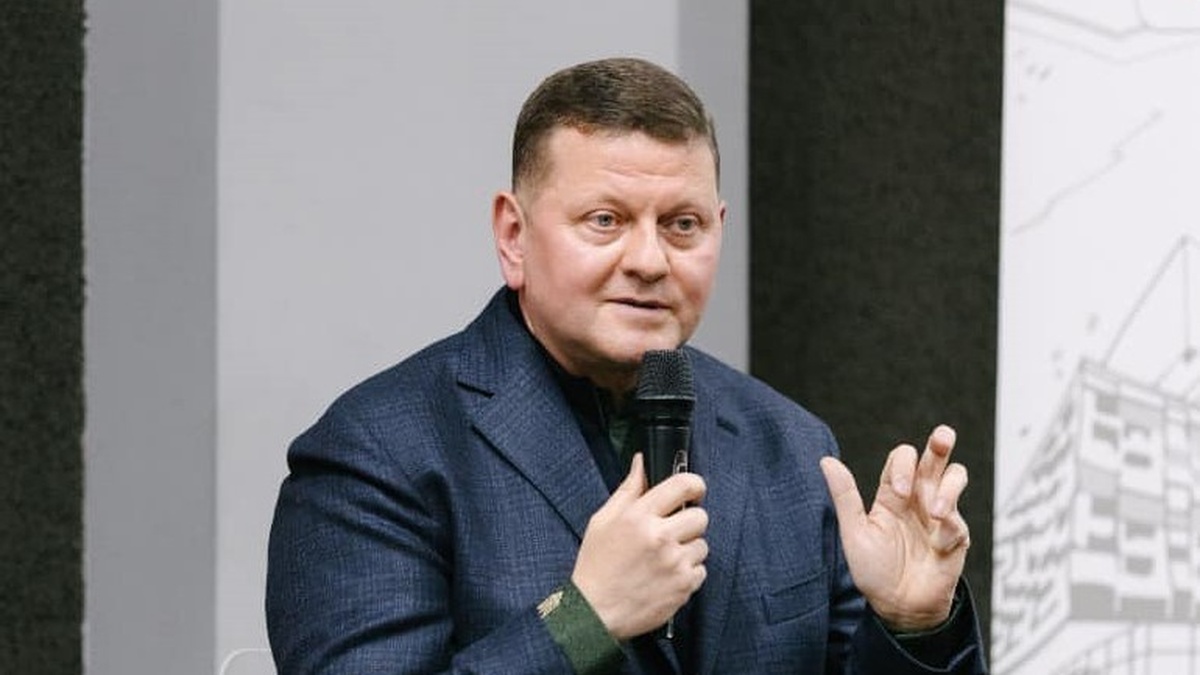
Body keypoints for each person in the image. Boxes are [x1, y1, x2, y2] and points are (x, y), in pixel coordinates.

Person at [265, 57, 987, 674]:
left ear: (719, 231)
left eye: (682, 225)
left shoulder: (791, 447)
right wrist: (585, 619)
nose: (648, 260)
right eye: (605, 221)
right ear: (513, 235)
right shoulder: (379, 452)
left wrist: (913, 627)